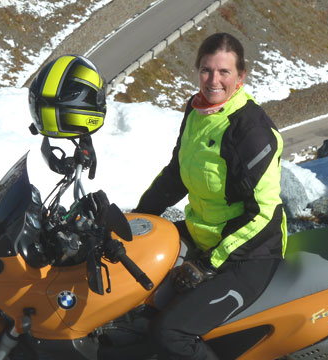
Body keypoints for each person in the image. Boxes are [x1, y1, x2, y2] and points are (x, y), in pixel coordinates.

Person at [133, 32, 287, 359]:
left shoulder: (250, 131)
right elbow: (177, 174)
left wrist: (209, 264)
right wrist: (139, 219)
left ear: (240, 77)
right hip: (202, 235)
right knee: (132, 296)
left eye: (224, 72)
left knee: (171, 332)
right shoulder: (196, 110)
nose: (213, 80)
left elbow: (263, 214)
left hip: (249, 256)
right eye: (206, 70)